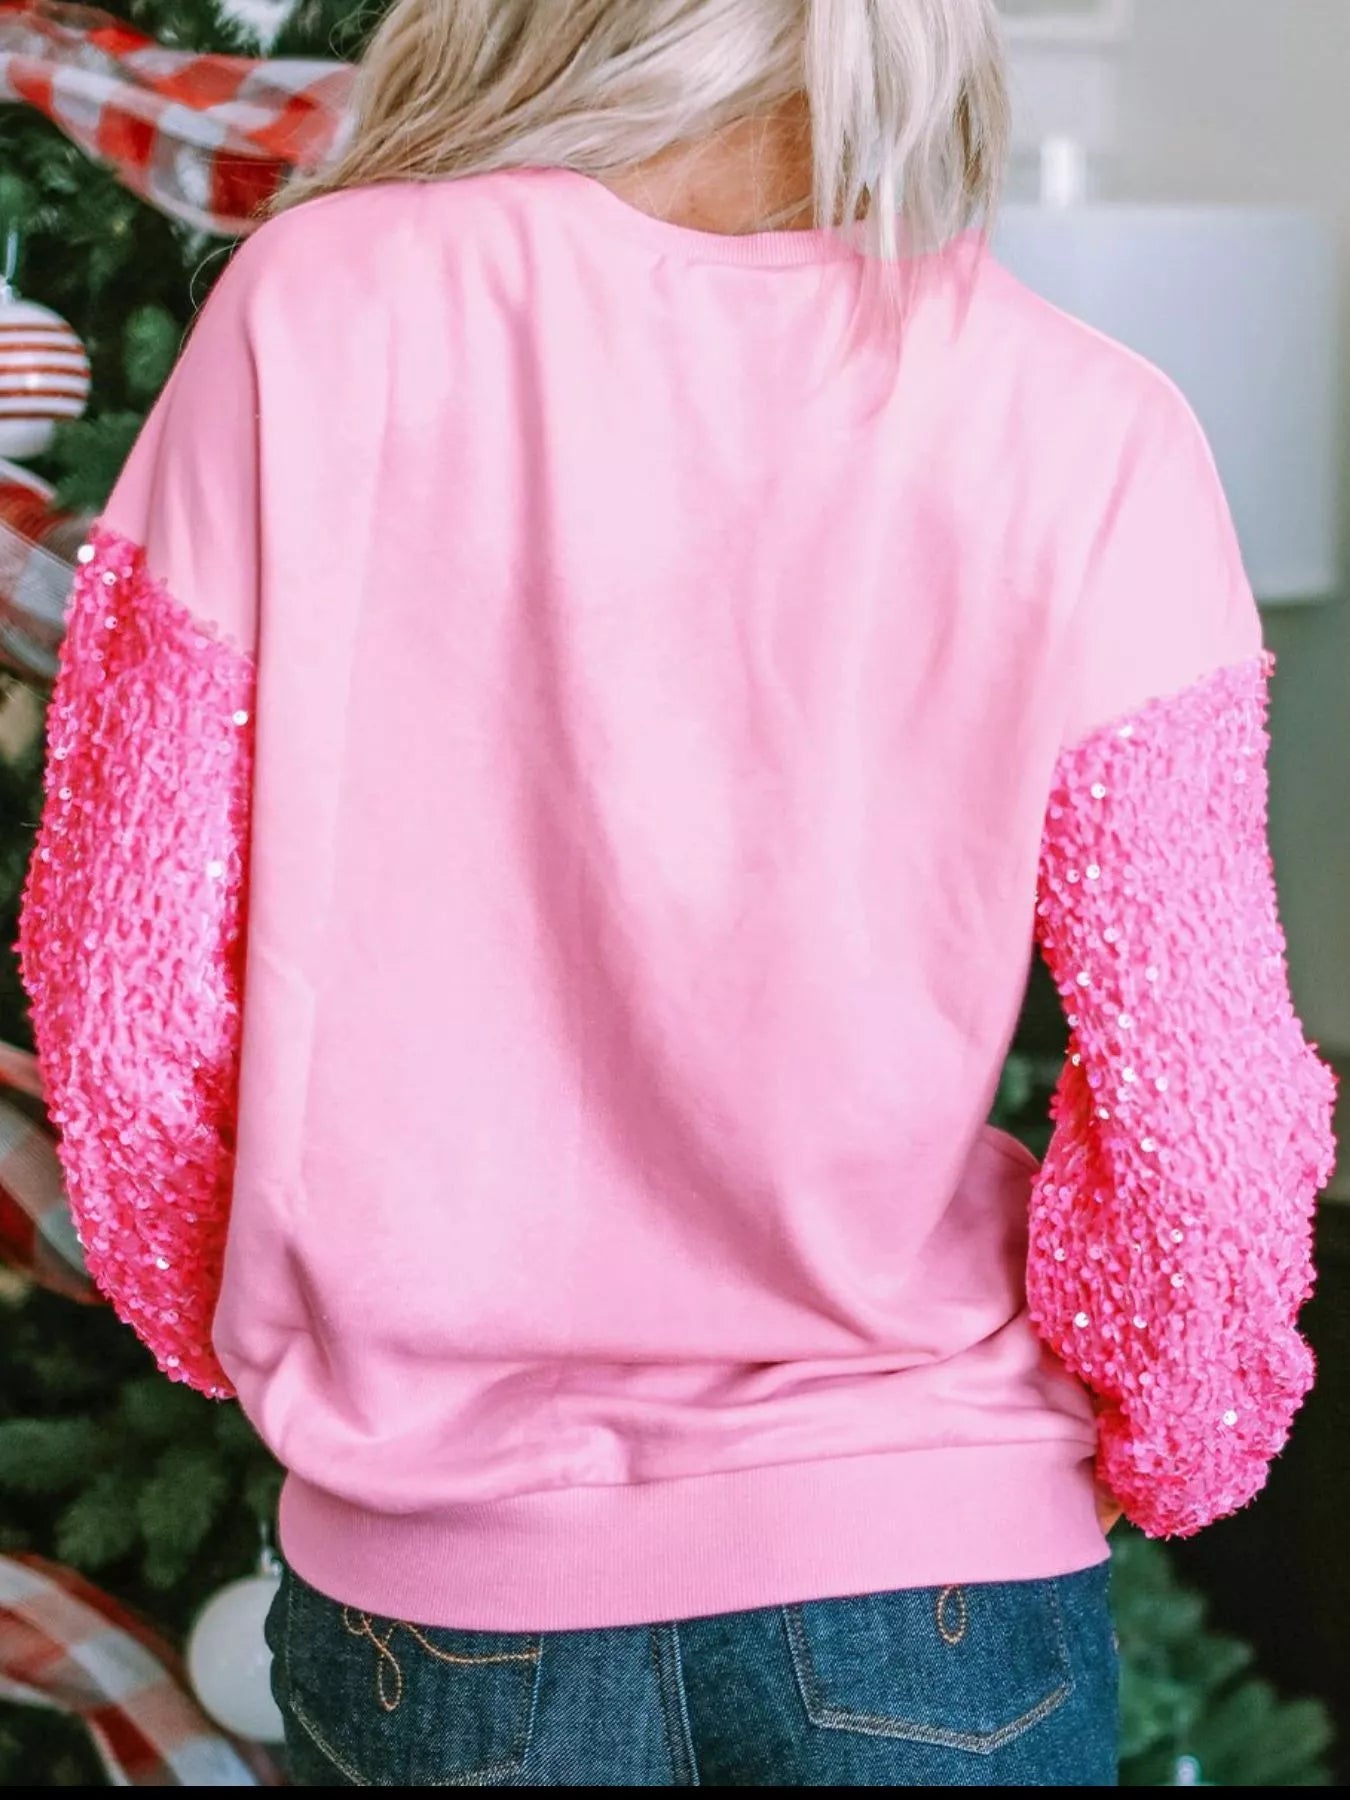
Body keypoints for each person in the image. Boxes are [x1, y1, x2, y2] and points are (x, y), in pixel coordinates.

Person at [19, 0, 1335, 1787]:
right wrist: (1176, 1437)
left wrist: (266, 1340)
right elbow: (1201, 1090)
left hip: (443, 1589)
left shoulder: (314, 310)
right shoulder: (1091, 422)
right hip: (932, 1561)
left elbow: (121, 972)